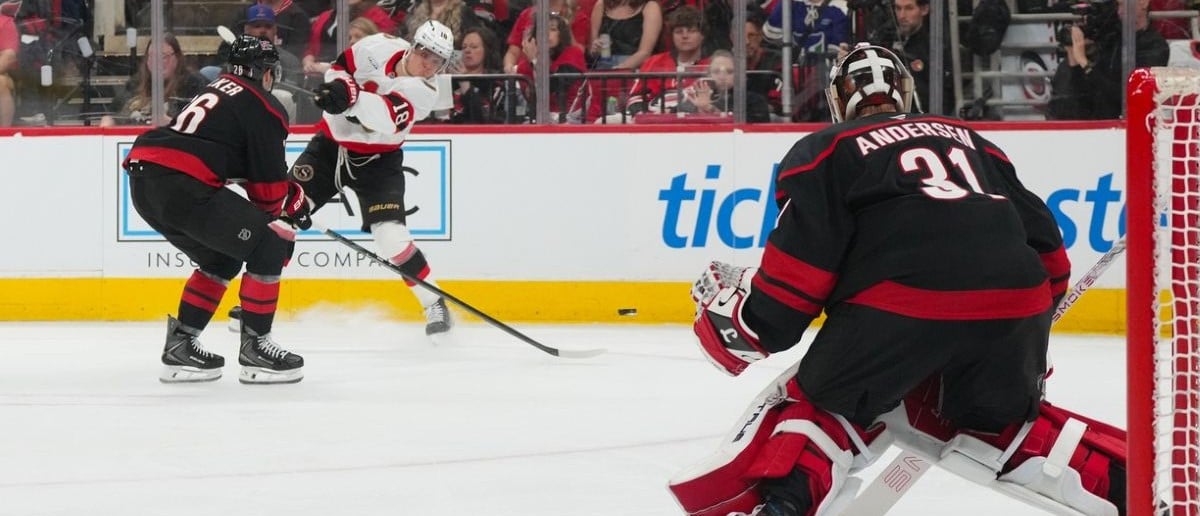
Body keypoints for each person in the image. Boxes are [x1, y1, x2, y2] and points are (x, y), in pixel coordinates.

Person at [668, 44, 1127, 516]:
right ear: (905, 93)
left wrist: (747, 323)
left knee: (821, 399)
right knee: (1000, 425)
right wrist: (1021, 343)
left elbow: (797, 283)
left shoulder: (824, 149)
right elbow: (1050, 256)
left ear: (838, 100)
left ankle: (783, 506)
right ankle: (1131, 484)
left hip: (900, 306)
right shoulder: (975, 142)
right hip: (1016, 307)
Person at [123, 35, 309, 385]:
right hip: (182, 184)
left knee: (221, 258)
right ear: (267, 73)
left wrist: (286, 191)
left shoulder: (217, 88)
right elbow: (266, 197)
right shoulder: (265, 106)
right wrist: (284, 215)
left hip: (145, 181)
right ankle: (257, 348)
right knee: (268, 243)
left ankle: (181, 346)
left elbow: (221, 153)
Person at [295, 21, 457, 337]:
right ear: (413, 47)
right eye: (426, 54)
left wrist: (347, 94)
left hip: (378, 164)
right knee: (284, 212)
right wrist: (336, 84)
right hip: (327, 150)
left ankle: (433, 301)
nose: (429, 65)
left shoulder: (425, 93)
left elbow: (378, 115)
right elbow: (340, 67)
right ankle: (254, 303)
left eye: (437, 61)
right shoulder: (377, 45)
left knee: (391, 239)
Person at [1047, 0, 1168, 120]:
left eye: (1122, 4)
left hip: (1130, 124)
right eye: (1117, 5)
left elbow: (1129, 94)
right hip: (1094, 121)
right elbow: (1080, 94)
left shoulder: (1156, 46)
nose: (1119, 11)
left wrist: (1085, 63)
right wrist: (1074, 61)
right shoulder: (1109, 37)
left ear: (1143, 2)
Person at [100, 34, 207, 127]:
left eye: (163, 56)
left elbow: (199, 125)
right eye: (152, 56)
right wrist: (108, 120)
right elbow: (113, 113)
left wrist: (172, 124)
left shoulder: (193, 83)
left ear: (177, 58)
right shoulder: (136, 82)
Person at [516, 14, 601, 122]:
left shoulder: (573, 54)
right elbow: (532, 100)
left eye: (552, 29)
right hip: (543, 120)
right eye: (541, 29)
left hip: (579, 119)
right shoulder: (524, 66)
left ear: (562, 35)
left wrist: (535, 62)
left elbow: (555, 87)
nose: (545, 33)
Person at [624, 5, 708, 115]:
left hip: (694, 125)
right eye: (679, 32)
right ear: (671, 36)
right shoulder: (654, 62)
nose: (685, 36)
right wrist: (648, 116)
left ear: (702, 35)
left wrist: (672, 113)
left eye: (691, 31)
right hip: (653, 124)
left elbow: (716, 103)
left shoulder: (712, 65)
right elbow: (635, 98)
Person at [677, 50, 771, 122]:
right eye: (716, 72)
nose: (722, 77)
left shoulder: (754, 100)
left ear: (739, 75)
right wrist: (697, 109)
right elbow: (676, 118)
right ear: (709, 74)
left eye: (729, 72)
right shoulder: (695, 97)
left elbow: (755, 129)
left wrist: (710, 109)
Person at [588, 0, 662, 70]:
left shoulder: (650, 7)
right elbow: (591, 50)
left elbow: (645, 53)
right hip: (603, 67)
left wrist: (619, 70)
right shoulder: (601, 5)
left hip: (635, 68)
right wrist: (595, 49)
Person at [0, 8, 16, 126]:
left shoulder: (4, 22)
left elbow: (9, 55)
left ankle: (4, 134)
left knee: (1, 82)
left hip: (2, 73)